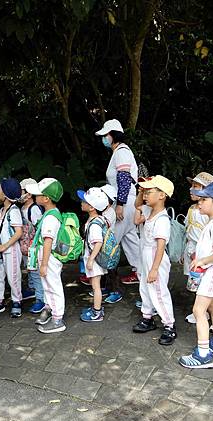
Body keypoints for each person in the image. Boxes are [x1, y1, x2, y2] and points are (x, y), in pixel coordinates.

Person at [179, 182, 213, 369]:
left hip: (210, 275)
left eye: (204, 200)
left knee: (198, 311)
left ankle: (203, 354)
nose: (199, 203)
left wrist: (203, 261)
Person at [95, 119, 141, 287]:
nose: (104, 138)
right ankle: (140, 271)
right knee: (130, 238)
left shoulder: (121, 152)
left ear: (113, 135)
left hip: (124, 202)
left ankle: (102, 276)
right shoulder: (120, 152)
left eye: (105, 135)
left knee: (110, 238)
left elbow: (124, 179)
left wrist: (120, 204)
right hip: (128, 201)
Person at [182, 172, 213, 331]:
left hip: (208, 261)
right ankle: (210, 317)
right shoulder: (193, 209)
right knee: (198, 286)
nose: (192, 190)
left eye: (196, 186)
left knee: (210, 296)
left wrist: (203, 259)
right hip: (196, 253)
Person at [132, 176, 177, 345]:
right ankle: (147, 317)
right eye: (145, 192)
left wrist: (154, 269)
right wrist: (141, 193)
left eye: (149, 192)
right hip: (145, 255)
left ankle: (169, 325)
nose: (145, 195)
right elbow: (136, 214)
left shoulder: (162, 219)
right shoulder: (149, 211)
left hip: (155, 258)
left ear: (162, 195)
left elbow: (160, 245)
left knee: (158, 291)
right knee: (144, 287)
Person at [26, 178, 67, 333]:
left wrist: (43, 264)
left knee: (53, 286)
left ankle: (58, 319)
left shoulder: (50, 218)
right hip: (47, 256)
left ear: (46, 198)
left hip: (49, 257)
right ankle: (50, 309)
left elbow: (48, 241)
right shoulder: (51, 213)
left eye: (37, 194)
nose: (34, 196)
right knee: (48, 285)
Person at [0, 178, 24, 318]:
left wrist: (5, 246)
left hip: (11, 251)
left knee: (13, 277)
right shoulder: (3, 209)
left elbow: (19, 232)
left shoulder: (13, 211)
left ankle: (17, 301)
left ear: (6, 194)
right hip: (1, 250)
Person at [79, 187, 110, 322]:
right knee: (94, 284)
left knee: (96, 286)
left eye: (84, 201)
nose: (81, 202)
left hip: (95, 259)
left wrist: (91, 260)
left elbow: (98, 242)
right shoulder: (99, 219)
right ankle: (96, 308)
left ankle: (97, 312)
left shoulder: (94, 224)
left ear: (91, 207)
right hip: (96, 258)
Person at [19, 178, 45, 313]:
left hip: (33, 247)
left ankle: (41, 299)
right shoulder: (23, 208)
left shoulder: (33, 209)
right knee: (30, 270)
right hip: (25, 247)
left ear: (29, 194)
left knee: (35, 272)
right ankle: (32, 289)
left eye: (22, 191)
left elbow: (39, 229)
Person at [99, 184, 122, 304]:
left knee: (112, 269)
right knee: (103, 268)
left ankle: (116, 292)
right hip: (102, 245)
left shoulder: (110, 212)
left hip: (109, 246)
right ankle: (103, 288)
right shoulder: (103, 211)